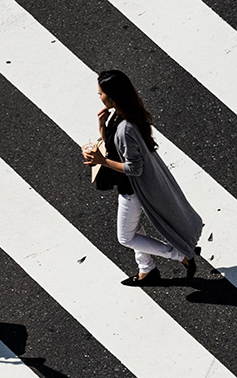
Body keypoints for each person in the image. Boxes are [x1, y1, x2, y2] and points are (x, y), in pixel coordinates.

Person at [82, 70, 202, 286]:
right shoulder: (120, 114)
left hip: (133, 190)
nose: (99, 97)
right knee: (134, 229)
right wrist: (102, 129)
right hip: (128, 187)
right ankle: (146, 270)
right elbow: (115, 147)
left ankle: (180, 255)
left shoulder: (125, 127)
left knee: (126, 237)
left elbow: (134, 168)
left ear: (112, 96)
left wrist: (101, 161)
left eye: (100, 93)